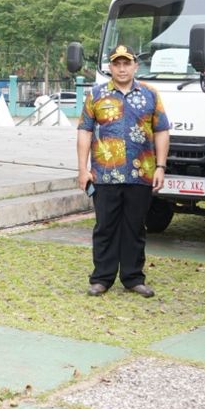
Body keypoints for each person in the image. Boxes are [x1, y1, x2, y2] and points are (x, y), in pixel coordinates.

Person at [77, 44, 171, 298]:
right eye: (116, 64)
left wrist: (161, 167)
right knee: (105, 227)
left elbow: (162, 131)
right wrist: (83, 169)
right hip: (105, 174)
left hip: (141, 173)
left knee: (135, 227)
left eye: (126, 63)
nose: (121, 69)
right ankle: (101, 278)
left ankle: (133, 278)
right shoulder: (96, 95)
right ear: (110, 67)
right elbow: (84, 131)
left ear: (135, 66)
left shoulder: (150, 94)